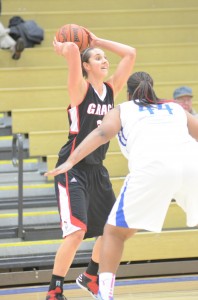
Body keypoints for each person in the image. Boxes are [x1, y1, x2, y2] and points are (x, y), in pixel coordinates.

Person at [45, 71, 198, 300]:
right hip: (191, 165)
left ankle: (103, 292)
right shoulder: (175, 108)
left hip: (151, 169)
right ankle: (86, 279)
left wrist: (70, 160)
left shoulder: (122, 109)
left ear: (128, 93)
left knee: (113, 234)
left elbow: (102, 132)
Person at [44, 27, 136, 300]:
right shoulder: (79, 89)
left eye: (104, 57)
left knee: (113, 230)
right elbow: (73, 50)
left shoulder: (110, 90)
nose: (105, 60)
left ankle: (91, 275)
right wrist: (66, 48)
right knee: (76, 232)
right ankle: (54, 289)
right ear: (85, 66)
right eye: (97, 57)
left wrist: (97, 41)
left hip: (97, 169)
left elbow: (130, 54)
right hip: (72, 168)